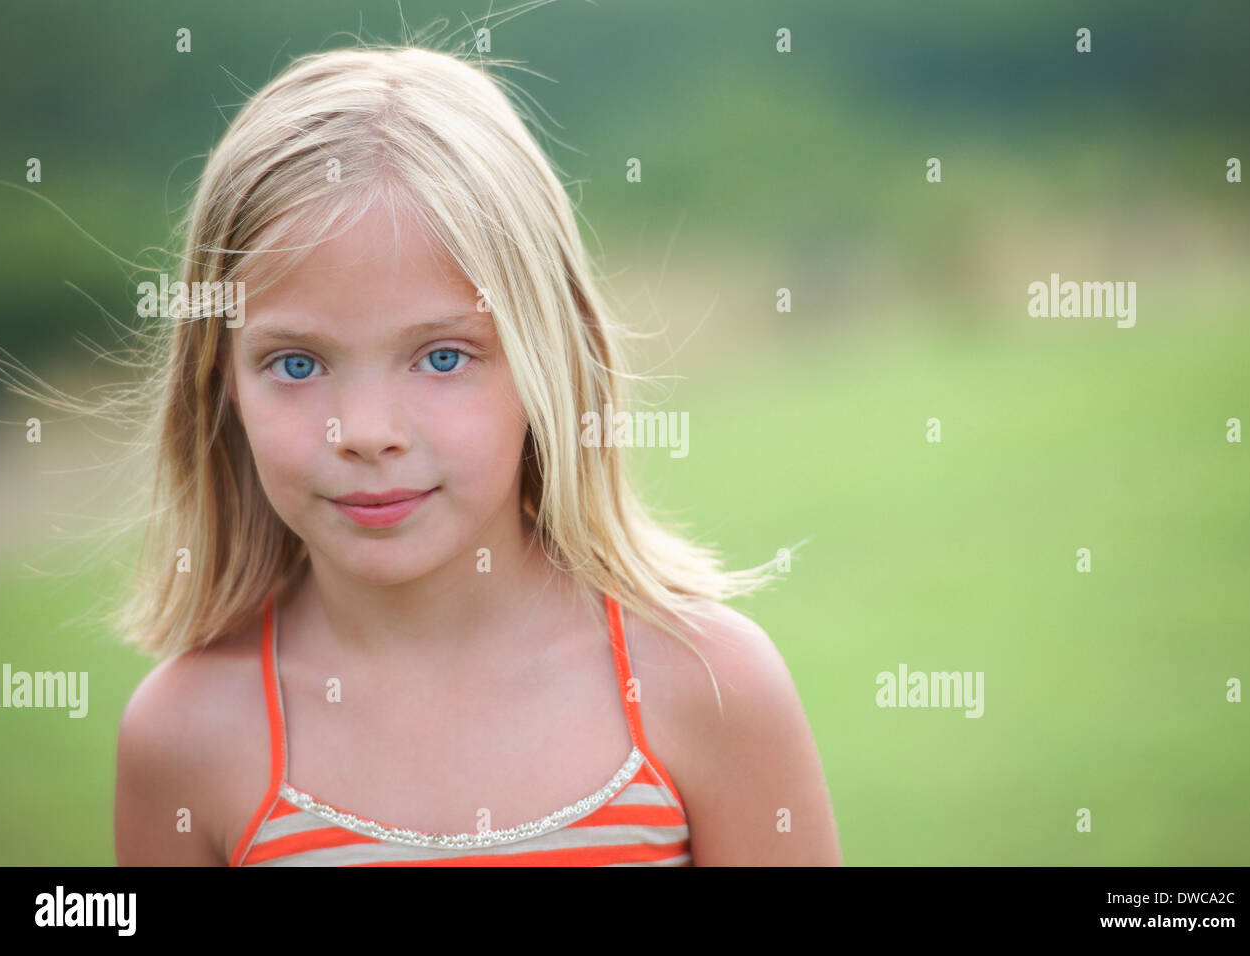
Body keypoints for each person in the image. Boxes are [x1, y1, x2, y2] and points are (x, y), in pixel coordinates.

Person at [111, 43, 841, 866]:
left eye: (443, 357)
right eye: (297, 364)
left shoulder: (710, 687)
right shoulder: (184, 739)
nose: (364, 430)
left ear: (550, 361)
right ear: (220, 382)